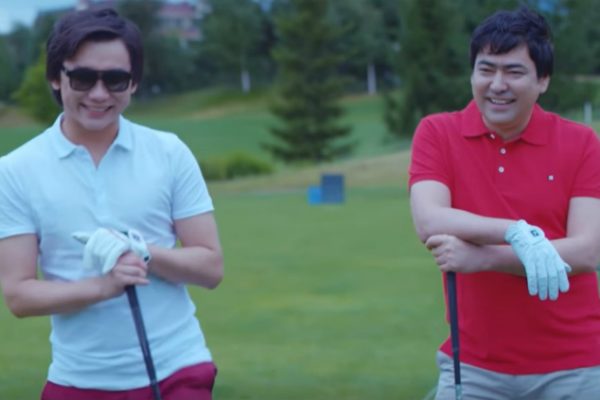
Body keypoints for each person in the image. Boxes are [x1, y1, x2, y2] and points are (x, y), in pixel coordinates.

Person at [0, 8, 223, 400]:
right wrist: (103, 287)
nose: (99, 94)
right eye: (83, 78)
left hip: (176, 370)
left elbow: (210, 267)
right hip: (79, 379)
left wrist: (140, 251)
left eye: (116, 79)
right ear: (56, 77)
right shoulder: (16, 170)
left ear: (133, 82)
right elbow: (19, 296)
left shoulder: (168, 152)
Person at [409, 6, 600, 400]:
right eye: (486, 69)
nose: (497, 85)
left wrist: (485, 258)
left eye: (513, 72)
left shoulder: (582, 143)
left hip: (576, 366)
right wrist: (515, 232)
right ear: (472, 74)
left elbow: (587, 250)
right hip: (473, 366)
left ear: (542, 80)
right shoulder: (437, 132)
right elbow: (429, 219)